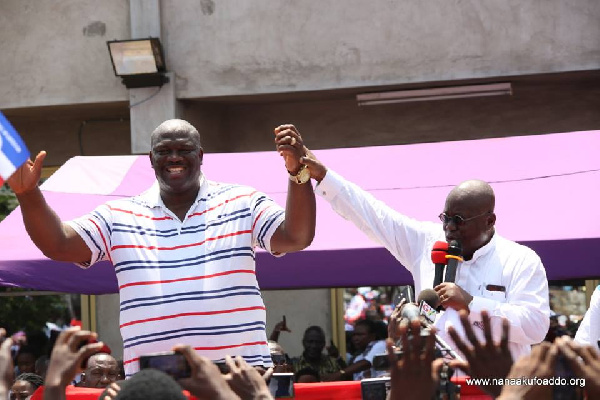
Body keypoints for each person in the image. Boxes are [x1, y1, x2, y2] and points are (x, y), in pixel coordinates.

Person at [7, 120, 316, 377]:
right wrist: (28, 192)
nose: (174, 158)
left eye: (184, 150)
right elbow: (59, 244)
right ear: (151, 158)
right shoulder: (119, 215)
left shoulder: (243, 202)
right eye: (164, 151)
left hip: (239, 378)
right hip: (155, 384)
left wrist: (297, 174)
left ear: (201, 155)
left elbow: (295, 237)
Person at [300, 150, 550, 362]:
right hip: (436, 385)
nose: (449, 227)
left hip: (497, 389)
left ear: (489, 220)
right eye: (446, 218)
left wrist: (471, 303)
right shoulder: (428, 243)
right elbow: (377, 216)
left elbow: (536, 327)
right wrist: (324, 177)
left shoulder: (521, 260)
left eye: (459, 220)